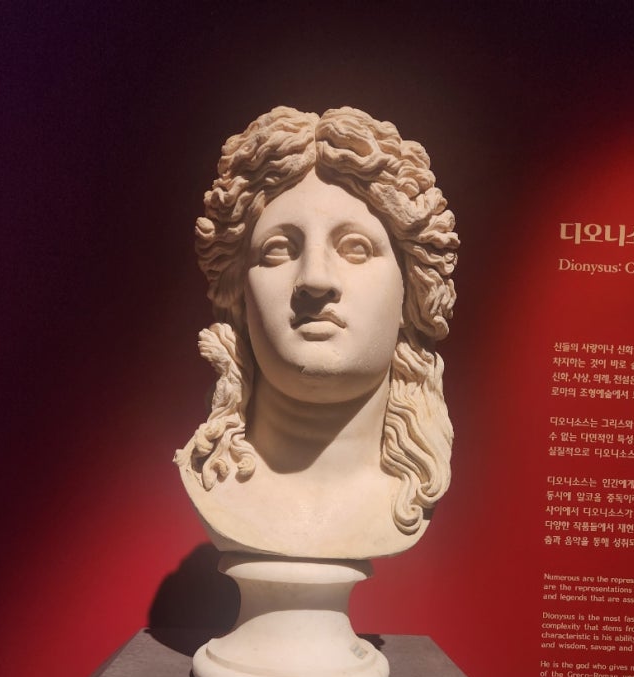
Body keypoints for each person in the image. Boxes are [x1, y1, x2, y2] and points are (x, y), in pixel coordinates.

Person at [176, 106, 459, 559]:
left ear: (412, 292)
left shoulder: (410, 491)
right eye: (277, 250)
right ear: (237, 294)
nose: (315, 279)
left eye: (355, 248)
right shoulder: (208, 481)